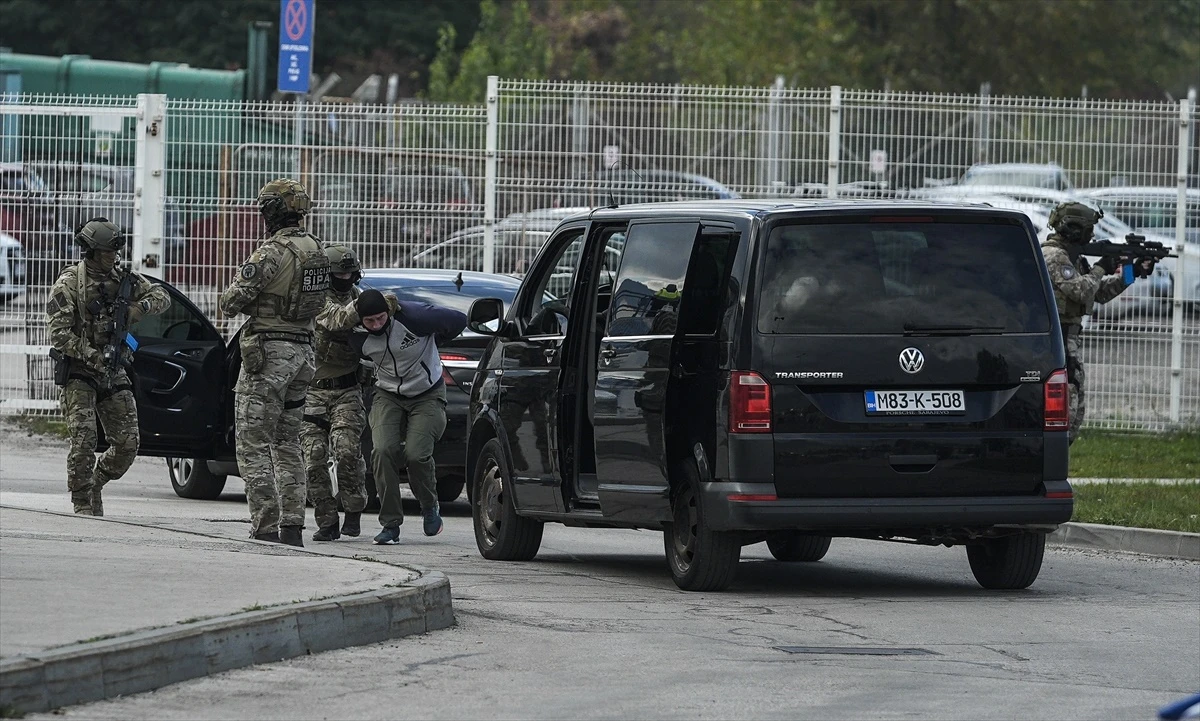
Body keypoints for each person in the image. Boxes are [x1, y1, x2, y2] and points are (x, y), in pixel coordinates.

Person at [219, 179, 330, 547]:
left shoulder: (270, 252)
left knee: (252, 444)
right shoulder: (317, 250)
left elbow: (231, 301)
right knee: (287, 442)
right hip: (304, 353)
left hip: (268, 355)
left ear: (273, 211)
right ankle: (293, 526)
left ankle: (265, 525)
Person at [45, 217, 171, 515]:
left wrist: (140, 308)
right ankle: (82, 502)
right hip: (79, 371)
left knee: (128, 444)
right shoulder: (69, 284)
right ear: (90, 251)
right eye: (107, 251)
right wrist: (92, 355)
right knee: (84, 442)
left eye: (115, 251)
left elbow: (162, 295)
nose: (114, 256)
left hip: (114, 371)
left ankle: (96, 482)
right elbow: (60, 334)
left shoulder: (123, 280)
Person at [347, 289, 467, 545]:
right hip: (387, 393)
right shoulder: (355, 335)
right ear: (361, 320)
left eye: (381, 318)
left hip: (427, 392)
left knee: (416, 453)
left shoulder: (415, 318)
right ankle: (390, 524)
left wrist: (436, 341)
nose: (376, 325)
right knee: (382, 450)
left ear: (388, 312)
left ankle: (429, 506)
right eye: (370, 321)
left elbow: (458, 320)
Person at [1041, 201, 1156, 443]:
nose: (1091, 235)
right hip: (1059, 338)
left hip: (1069, 338)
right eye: (1088, 229)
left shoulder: (1072, 258)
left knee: (1075, 408)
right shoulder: (1055, 256)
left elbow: (1100, 293)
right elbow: (1081, 291)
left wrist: (1130, 271)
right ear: (1073, 228)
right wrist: (1102, 266)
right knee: (1066, 410)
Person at [300, 244, 374, 542]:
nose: (344, 278)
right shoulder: (317, 300)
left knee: (346, 452)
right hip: (313, 393)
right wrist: (369, 307)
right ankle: (326, 519)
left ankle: (353, 510)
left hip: (346, 389)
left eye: (349, 272)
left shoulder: (359, 299)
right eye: (338, 273)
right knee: (314, 458)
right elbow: (335, 319)